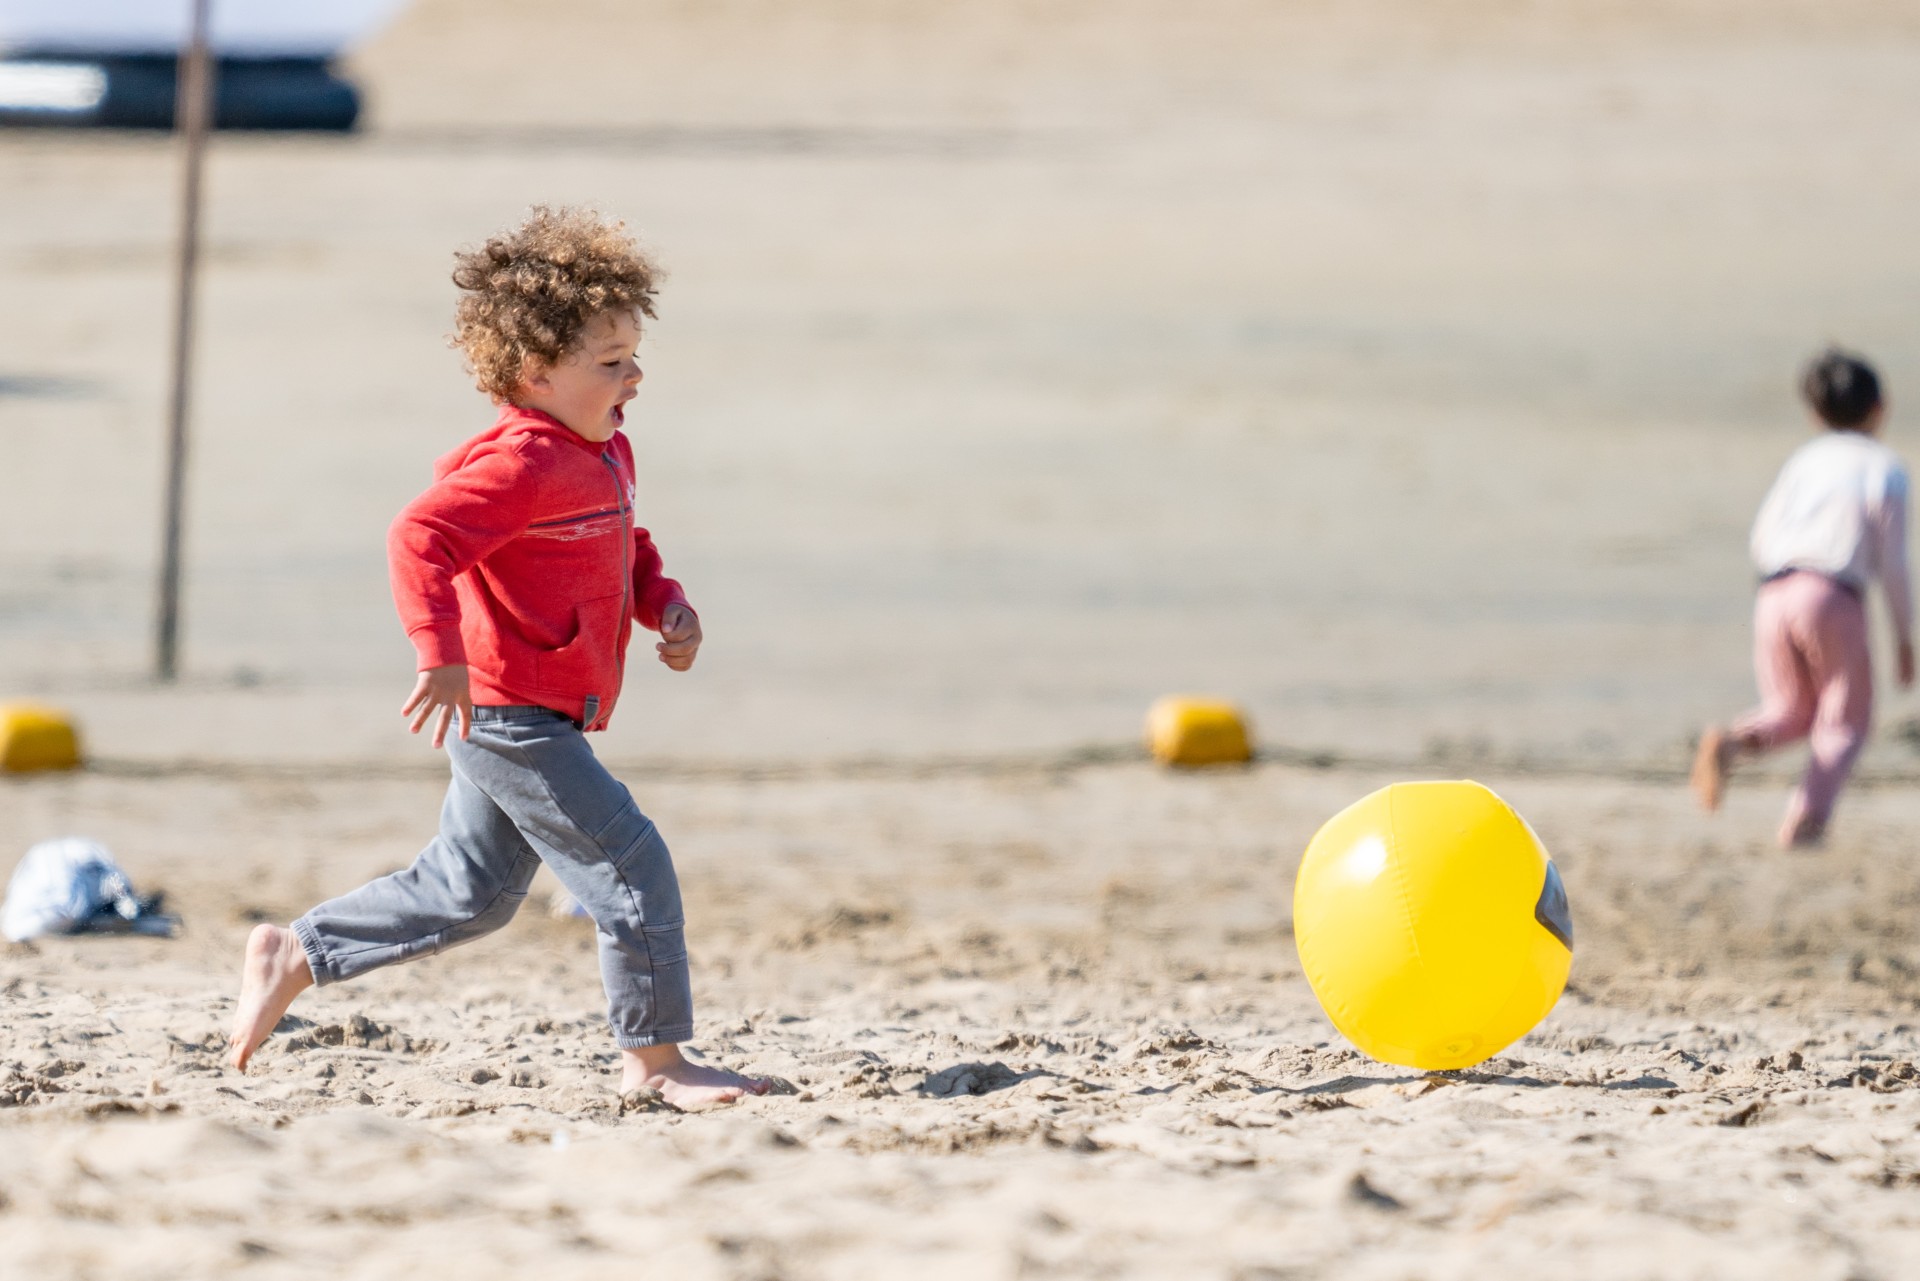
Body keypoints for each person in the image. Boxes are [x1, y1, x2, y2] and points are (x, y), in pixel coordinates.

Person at [226, 207, 768, 1109]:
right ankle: (657, 1061)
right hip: (510, 713)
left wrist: (664, 604)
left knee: (469, 892)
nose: (634, 375)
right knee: (629, 862)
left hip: (538, 710)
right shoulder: (522, 463)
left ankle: (297, 951)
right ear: (537, 372)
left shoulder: (605, 449)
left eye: (635, 354)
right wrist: (438, 653)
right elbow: (419, 534)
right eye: (611, 361)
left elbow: (619, 545)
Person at [1692, 348, 1913, 847]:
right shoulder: (1884, 468)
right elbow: (1893, 564)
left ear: (1816, 413)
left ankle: (1728, 742)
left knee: (1791, 710)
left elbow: (1763, 532)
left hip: (1773, 588)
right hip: (1833, 592)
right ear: (1881, 407)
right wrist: (1904, 635)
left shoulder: (1804, 461)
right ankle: (1805, 822)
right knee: (1847, 720)